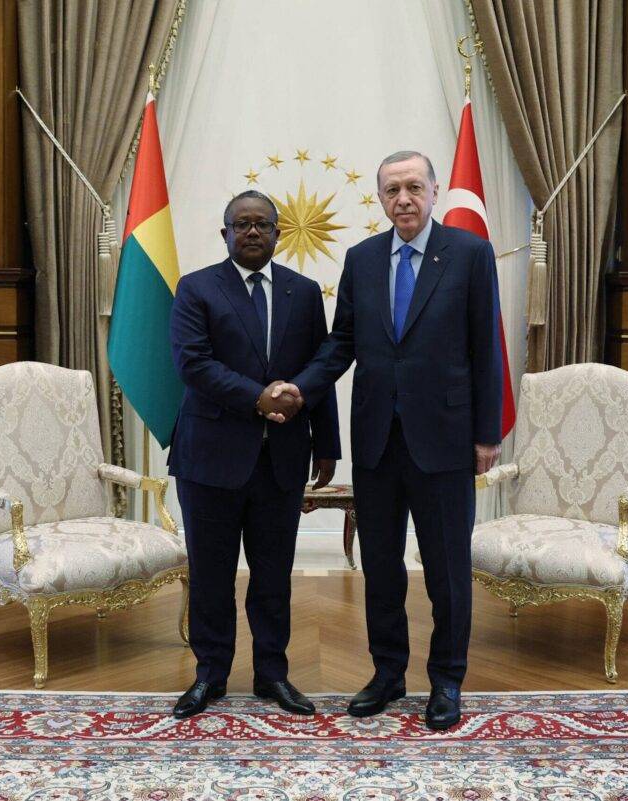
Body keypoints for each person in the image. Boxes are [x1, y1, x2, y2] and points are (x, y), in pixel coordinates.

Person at [276, 151, 501, 730]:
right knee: (381, 566)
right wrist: (299, 389)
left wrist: (486, 435)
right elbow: (341, 343)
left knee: (449, 569)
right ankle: (388, 673)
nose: (403, 199)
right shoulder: (363, 259)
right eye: (392, 190)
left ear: (433, 191)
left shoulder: (470, 255)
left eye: (414, 187)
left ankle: (447, 679)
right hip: (377, 438)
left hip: (446, 440)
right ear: (379, 198)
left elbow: (486, 349)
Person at [167, 190, 339, 718]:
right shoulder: (196, 289)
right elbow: (193, 364)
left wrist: (327, 444)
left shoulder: (304, 293)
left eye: (262, 224)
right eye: (240, 224)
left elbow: (321, 371)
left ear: (278, 234)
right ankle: (210, 676)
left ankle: (273, 676)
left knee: (273, 576)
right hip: (210, 460)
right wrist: (257, 399)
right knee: (212, 575)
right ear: (225, 234)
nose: (252, 232)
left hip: (281, 460)